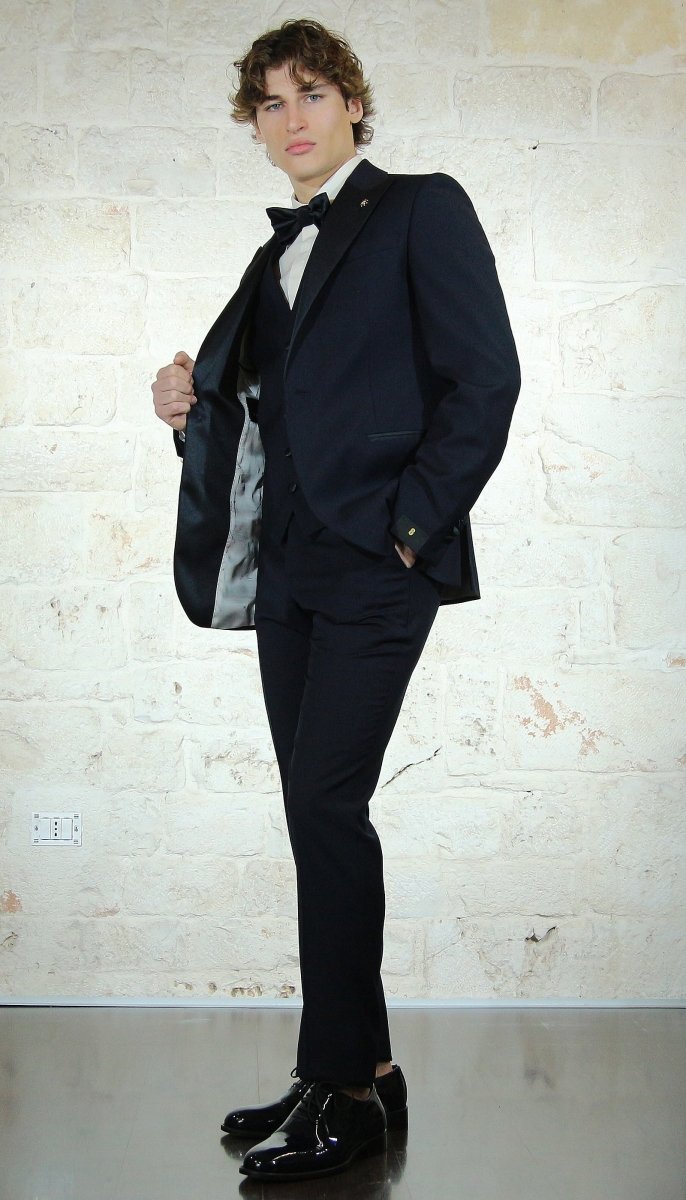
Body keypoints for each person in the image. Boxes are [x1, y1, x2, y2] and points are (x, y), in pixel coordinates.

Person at [151, 18, 520, 1183]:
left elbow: (484, 377)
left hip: (374, 565)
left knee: (325, 804)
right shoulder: (272, 258)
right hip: (290, 572)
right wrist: (188, 406)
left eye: (310, 92)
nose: (292, 116)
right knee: (315, 816)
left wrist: (410, 529)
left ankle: (345, 1092)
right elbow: (263, 421)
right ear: (255, 128)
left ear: (351, 103)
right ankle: (354, 1068)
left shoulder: (419, 208)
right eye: (269, 102)